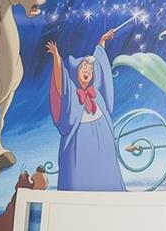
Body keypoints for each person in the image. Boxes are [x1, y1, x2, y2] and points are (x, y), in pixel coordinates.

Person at [46, 25, 126, 192]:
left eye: (90, 69)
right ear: (76, 72)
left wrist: (102, 42)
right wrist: (56, 57)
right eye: (84, 67)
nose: (87, 70)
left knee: (105, 170)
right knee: (79, 174)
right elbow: (61, 83)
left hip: (102, 140)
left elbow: (100, 64)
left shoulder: (96, 90)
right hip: (79, 144)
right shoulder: (71, 93)